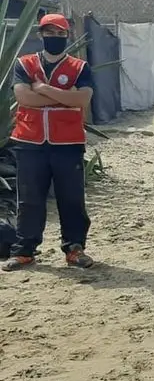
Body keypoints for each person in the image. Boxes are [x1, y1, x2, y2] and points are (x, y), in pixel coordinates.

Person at [3, 14, 95, 272]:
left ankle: (74, 248)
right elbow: (23, 98)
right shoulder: (25, 63)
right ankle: (25, 251)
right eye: (49, 33)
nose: (54, 38)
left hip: (68, 143)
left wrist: (42, 87)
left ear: (67, 35)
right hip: (29, 141)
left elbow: (82, 100)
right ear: (40, 34)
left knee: (72, 199)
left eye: (59, 33)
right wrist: (63, 97)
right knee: (29, 199)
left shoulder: (79, 67)